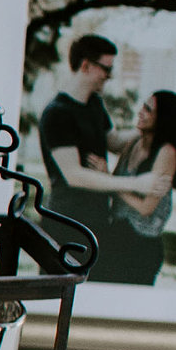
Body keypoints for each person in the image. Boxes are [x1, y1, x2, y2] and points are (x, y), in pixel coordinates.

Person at [51, 88, 176, 285]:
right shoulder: (134, 142)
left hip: (142, 245)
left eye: (148, 110)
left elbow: (145, 208)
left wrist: (108, 179)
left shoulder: (167, 153)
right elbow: (116, 182)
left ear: (163, 119)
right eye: (143, 106)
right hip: (116, 233)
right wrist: (106, 175)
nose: (141, 112)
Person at [36, 34, 121, 254]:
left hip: (97, 220)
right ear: (86, 65)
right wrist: (137, 184)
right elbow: (73, 175)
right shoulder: (58, 113)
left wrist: (156, 128)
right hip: (66, 222)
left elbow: (116, 142)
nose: (109, 76)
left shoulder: (95, 103)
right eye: (106, 69)